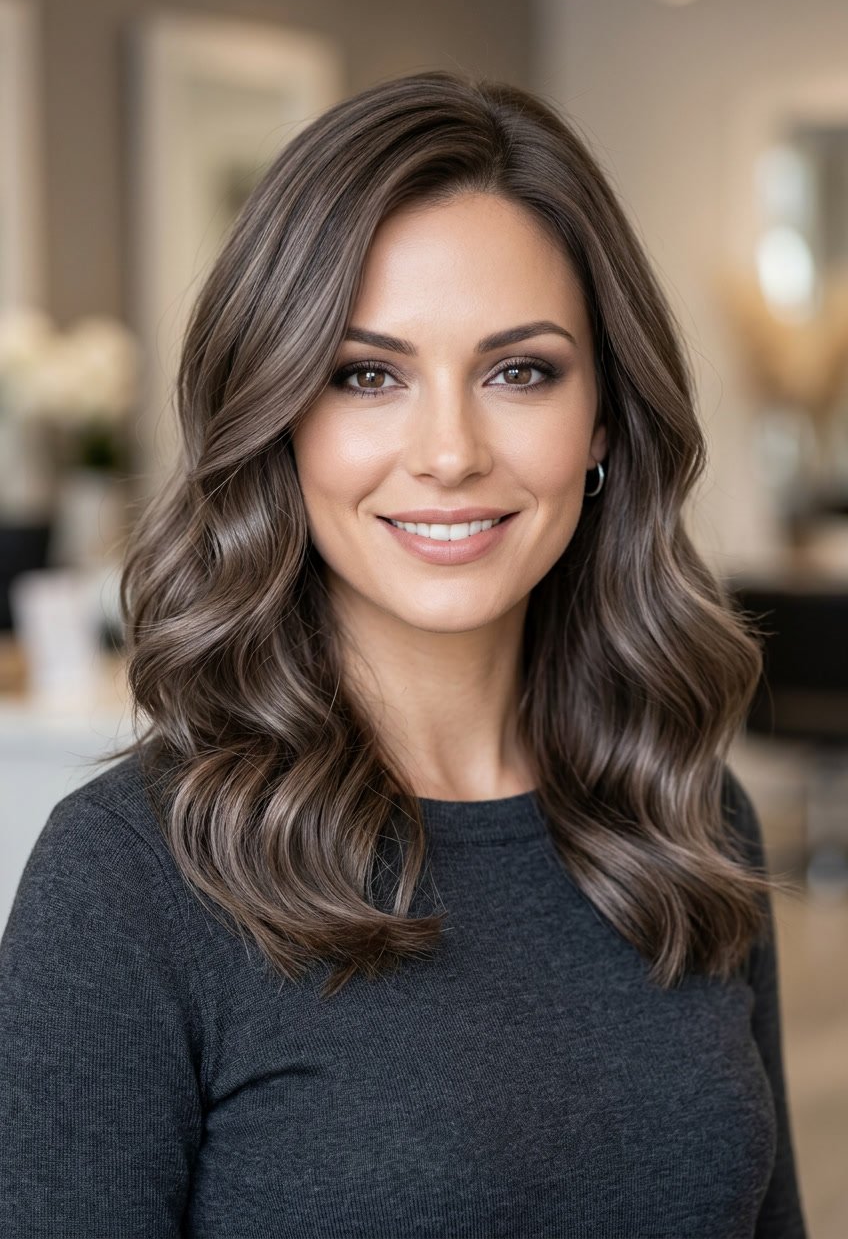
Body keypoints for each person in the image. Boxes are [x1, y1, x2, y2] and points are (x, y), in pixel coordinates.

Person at [0, 70, 808, 1238]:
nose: (446, 451)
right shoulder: (128, 882)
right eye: (364, 374)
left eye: (517, 370)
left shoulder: (683, 815)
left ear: (601, 420)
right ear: (277, 418)